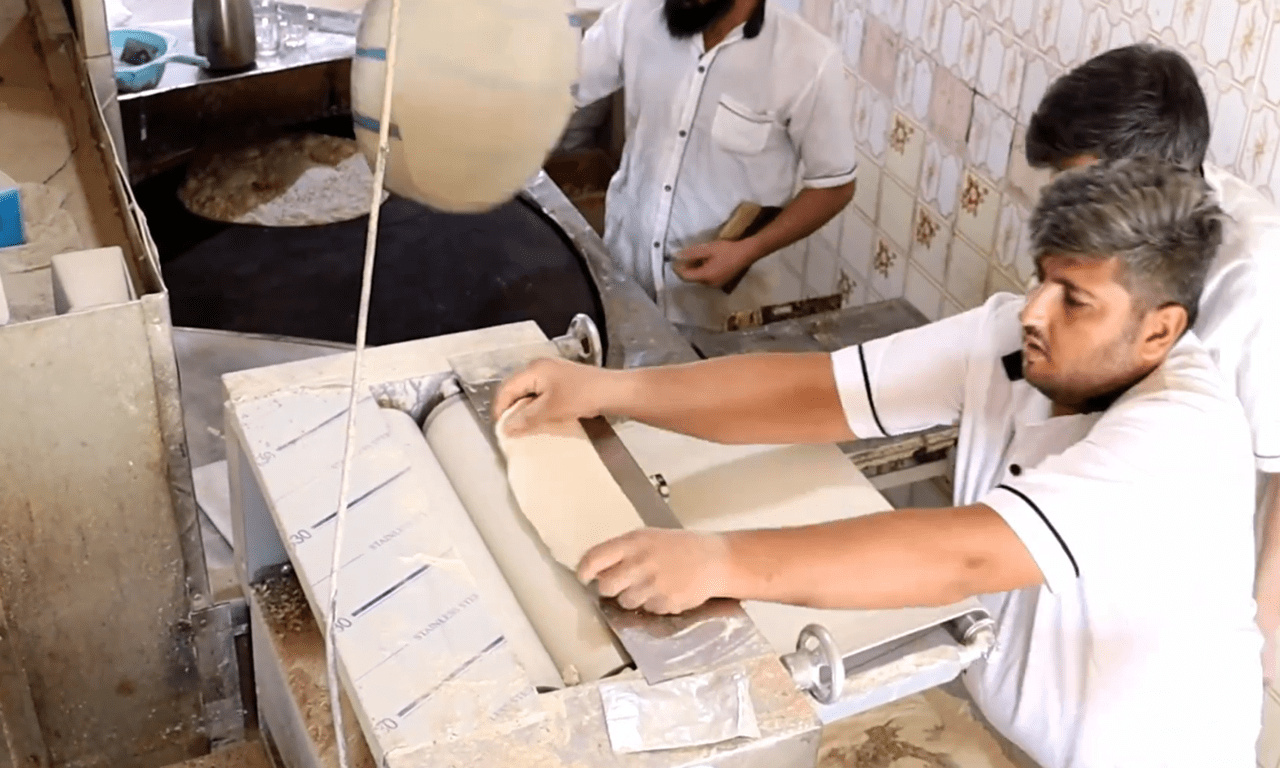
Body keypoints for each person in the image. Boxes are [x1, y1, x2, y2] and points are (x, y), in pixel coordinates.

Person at [495, 158, 1262, 768]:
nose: (1034, 310)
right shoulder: (1014, 342)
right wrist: (611, 390)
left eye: (1075, 299)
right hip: (996, 734)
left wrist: (719, 561)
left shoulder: (1179, 436)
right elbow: (809, 393)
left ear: (1159, 331)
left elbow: (963, 555)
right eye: (1041, 278)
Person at [1025, 43, 1280, 681]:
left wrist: (1258, 643)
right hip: (1095, 502)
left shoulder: (1256, 279)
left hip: (1185, 564)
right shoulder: (1108, 224)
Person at [573, 0, 857, 330]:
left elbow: (834, 186)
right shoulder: (637, 16)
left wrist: (748, 250)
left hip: (719, 311)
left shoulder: (808, 61)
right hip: (624, 273)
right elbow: (558, 86)